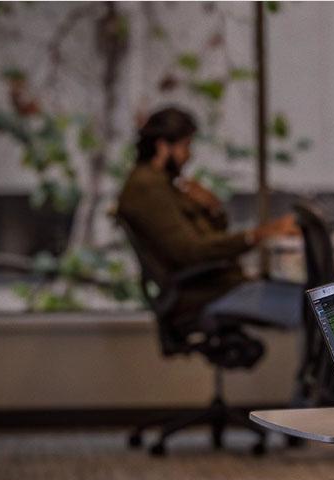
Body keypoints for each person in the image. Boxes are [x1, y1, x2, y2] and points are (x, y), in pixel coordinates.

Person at [116, 106, 300, 330]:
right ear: (163, 146)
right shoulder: (148, 188)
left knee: (316, 301)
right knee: (321, 308)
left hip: (216, 287)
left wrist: (212, 207)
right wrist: (256, 235)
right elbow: (191, 251)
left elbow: (211, 235)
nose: (189, 155)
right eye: (186, 146)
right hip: (205, 294)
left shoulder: (163, 184)